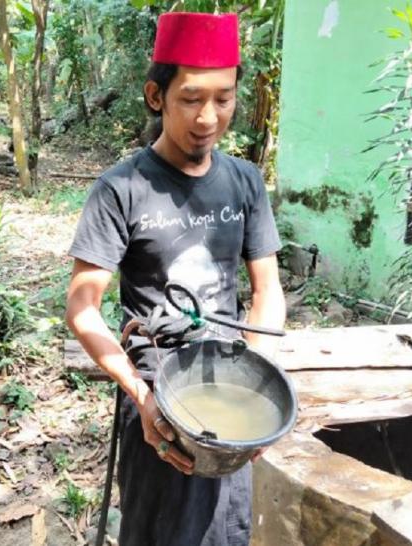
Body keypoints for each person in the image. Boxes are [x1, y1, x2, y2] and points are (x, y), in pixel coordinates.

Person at [65, 11, 286, 546]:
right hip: (157, 403)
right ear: (156, 95)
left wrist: (257, 381)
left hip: (229, 392)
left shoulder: (244, 182)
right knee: (158, 532)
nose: (209, 117)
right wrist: (139, 394)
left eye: (224, 97)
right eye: (191, 98)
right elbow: (83, 308)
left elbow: (267, 291)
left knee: (227, 532)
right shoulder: (122, 190)